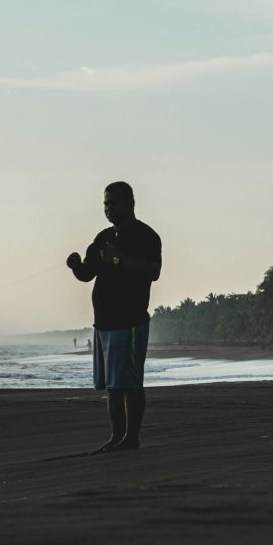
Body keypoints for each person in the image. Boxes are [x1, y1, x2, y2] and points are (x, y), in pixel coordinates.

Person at [66, 181, 162, 451]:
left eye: (115, 203)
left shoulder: (146, 236)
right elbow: (88, 273)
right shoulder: (102, 237)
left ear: (130, 203)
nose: (109, 208)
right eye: (106, 204)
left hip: (130, 321)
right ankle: (116, 437)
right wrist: (75, 266)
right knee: (113, 386)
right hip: (104, 323)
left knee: (130, 383)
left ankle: (131, 438)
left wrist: (118, 259)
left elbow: (153, 271)